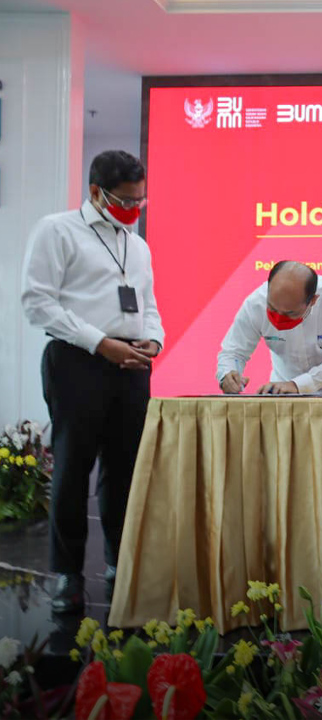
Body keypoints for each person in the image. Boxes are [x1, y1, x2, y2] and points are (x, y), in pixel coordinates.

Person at [21, 150, 162, 613]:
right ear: (96, 192)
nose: (134, 209)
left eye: (140, 201)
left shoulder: (136, 245)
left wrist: (154, 340)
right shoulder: (57, 230)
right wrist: (100, 342)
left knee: (125, 468)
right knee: (72, 466)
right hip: (77, 360)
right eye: (125, 200)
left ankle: (121, 563)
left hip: (131, 364)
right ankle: (67, 573)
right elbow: (37, 302)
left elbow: (148, 304)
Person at [216, 261, 322, 395]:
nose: (279, 318)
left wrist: (296, 385)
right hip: (283, 394)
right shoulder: (256, 303)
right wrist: (228, 375)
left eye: (290, 313)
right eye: (272, 308)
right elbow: (234, 352)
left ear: (313, 300)